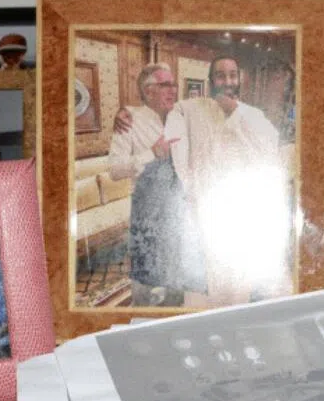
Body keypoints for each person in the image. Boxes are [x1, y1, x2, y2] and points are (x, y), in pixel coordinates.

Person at [164, 53, 287, 306]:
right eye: (220, 75)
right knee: (201, 277)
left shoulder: (253, 115)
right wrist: (190, 189)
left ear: (239, 79)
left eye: (232, 75)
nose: (227, 80)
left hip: (240, 209)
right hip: (202, 205)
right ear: (210, 80)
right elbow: (175, 147)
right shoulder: (188, 109)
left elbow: (268, 154)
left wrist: (235, 115)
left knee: (238, 277)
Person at [108, 62, 201, 308]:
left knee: (177, 275)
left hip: (178, 209)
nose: (173, 90)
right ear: (148, 91)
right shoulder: (129, 121)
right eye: (166, 85)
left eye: (174, 84)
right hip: (147, 212)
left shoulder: (180, 117)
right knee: (146, 280)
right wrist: (151, 153)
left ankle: (173, 321)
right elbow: (115, 170)